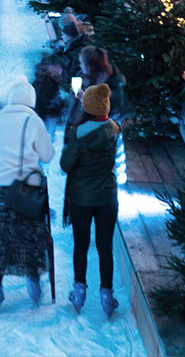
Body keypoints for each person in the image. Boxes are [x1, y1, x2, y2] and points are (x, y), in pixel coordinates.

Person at [0, 80, 54, 312]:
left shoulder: (0, 118)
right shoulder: (34, 121)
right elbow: (46, 156)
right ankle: (34, 285)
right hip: (29, 190)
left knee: (1, 238)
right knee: (30, 238)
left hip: (4, 189)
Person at [60, 83, 125, 318]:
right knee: (105, 247)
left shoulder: (78, 133)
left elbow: (65, 165)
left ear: (87, 107)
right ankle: (107, 296)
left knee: (81, 245)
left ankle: (79, 293)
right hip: (108, 196)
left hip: (81, 198)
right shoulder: (115, 128)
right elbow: (119, 161)